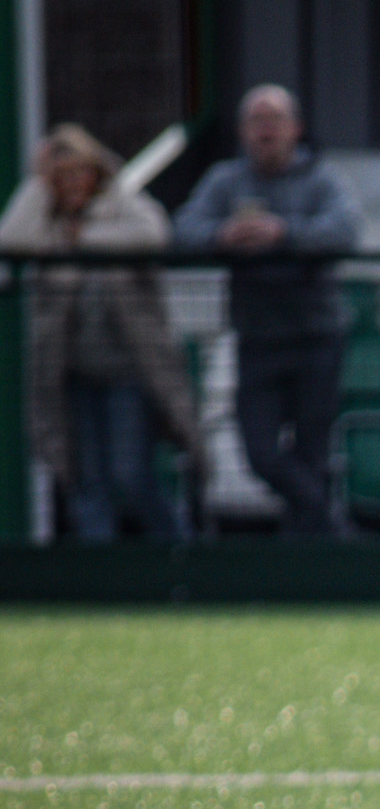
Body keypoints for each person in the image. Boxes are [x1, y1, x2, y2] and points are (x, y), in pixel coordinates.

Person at [0, 124, 201, 542]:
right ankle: (101, 578)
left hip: (129, 373)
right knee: (84, 480)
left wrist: (81, 239)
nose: (72, 183)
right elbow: (12, 238)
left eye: (80, 172)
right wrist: (38, 182)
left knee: (131, 475)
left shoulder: (121, 206)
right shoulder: (48, 224)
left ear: (96, 171)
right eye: (62, 175)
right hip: (72, 375)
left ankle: (181, 559)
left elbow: (153, 234)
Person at [174, 86, 360, 536]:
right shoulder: (225, 180)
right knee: (260, 453)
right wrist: (224, 236)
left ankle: (305, 563)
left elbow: (344, 231)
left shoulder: (321, 178)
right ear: (242, 131)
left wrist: (282, 234)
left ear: (295, 128)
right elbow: (182, 230)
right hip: (256, 337)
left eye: (275, 118)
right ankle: (334, 528)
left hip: (317, 336)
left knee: (313, 451)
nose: (266, 128)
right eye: (257, 119)